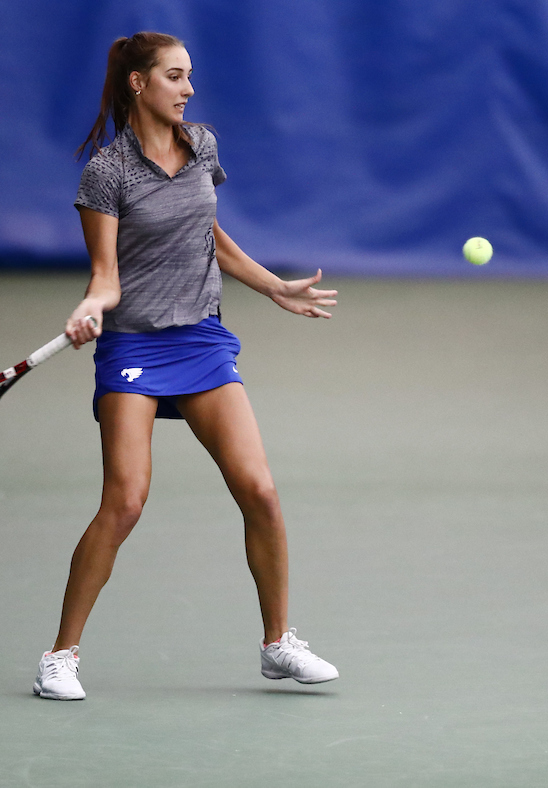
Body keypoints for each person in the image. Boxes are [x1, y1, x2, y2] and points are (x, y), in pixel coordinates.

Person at [33, 32, 339, 701]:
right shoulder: (105, 174)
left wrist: (273, 286)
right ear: (140, 84)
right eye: (175, 76)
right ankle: (60, 655)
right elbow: (106, 276)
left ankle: (277, 644)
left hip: (201, 339)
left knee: (259, 490)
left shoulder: (201, 144)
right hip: (135, 346)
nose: (189, 88)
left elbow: (209, 234)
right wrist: (91, 306)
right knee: (126, 501)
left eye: (190, 76)